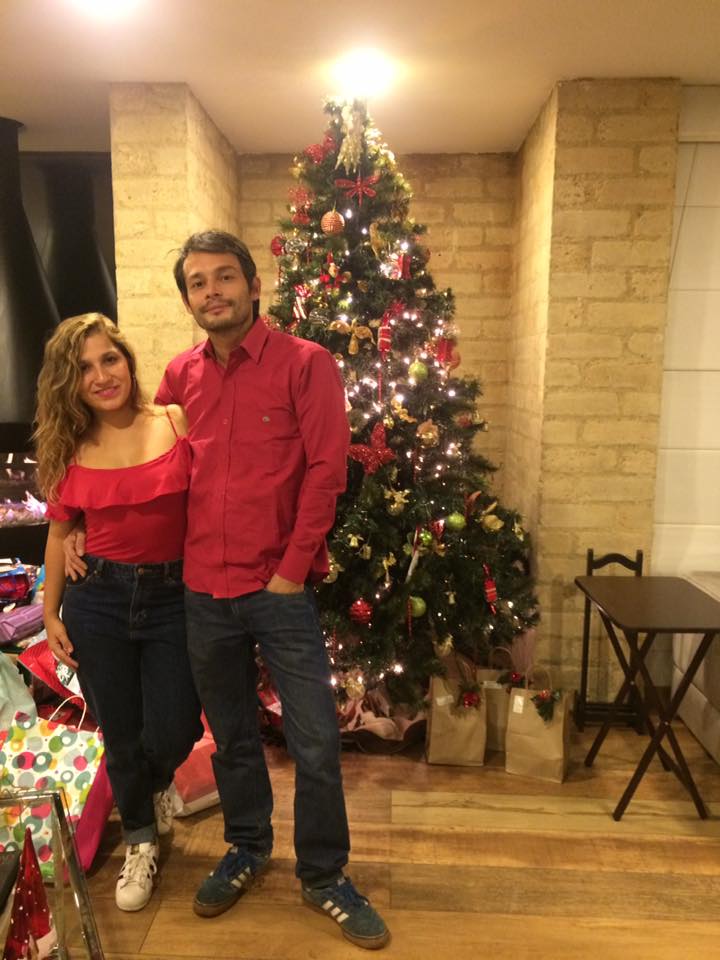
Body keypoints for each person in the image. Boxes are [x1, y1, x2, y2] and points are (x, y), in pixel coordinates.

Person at [161, 230, 389, 949]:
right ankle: (247, 847)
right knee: (232, 737)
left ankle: (323, 874)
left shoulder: (305, 363)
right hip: (203, 587)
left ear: (253, 285)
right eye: (198, 282)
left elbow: (327, 471)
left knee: (315, 740)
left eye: (224, 277)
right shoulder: (178, 377)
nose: (212, 292)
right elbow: (148, 464)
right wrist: (72, 527)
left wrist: (292, 570)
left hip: (279, 588)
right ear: (188, 298)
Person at [36, 312, 202, 913]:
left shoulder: (175, 420)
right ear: (70, 383)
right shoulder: (70, 448)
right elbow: (59, 535)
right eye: (84, 368)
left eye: (109, 359)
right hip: (97, 598)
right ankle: (139, 837)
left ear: (128, 361)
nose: (102, 375)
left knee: (177, 725)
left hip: (175, 596)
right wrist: (50, 614)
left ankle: (151, 786)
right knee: (120, 729)